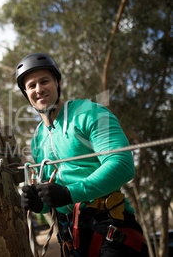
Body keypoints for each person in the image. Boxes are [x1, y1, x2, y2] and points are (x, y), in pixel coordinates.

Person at [17, 53, 149, 257]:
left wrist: (70, 193)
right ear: (26, 94)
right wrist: (39, 204)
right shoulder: (37, 139)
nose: (39, 89)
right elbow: (52, 199)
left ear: (58, 83)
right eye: (31, 86)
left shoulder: (91, 112)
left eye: (44, 81)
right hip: (69, 239)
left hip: (110, 230)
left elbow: (122, 164)